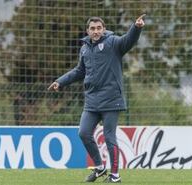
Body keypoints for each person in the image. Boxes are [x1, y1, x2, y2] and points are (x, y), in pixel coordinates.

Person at [48, 15, 145, 183]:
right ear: (88, 31)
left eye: (99, 28)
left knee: (109, 137)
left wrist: (136, 28)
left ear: (104, 28)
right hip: (92, 101)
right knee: (84, 133)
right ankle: (100, 168)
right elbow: (79, 71)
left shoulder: (113, 42)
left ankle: (115, 176)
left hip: (111, 99)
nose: (96, 31)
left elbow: (128, 41)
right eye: (92, 28)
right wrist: (60, 81)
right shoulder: (85, 48)